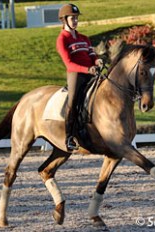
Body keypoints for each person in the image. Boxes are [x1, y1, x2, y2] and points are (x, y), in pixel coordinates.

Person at [56, 3, 103, 151]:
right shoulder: (62, 39)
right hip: (76, 74)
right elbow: (69, 64)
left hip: (91, 71)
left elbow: (91, 54)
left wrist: (97, 60)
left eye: (76, 18)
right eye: (72, 18)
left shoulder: (84, 38)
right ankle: (69, 137)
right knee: (73, 100)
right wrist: (87, 69)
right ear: (64, 20)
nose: (75, 21)